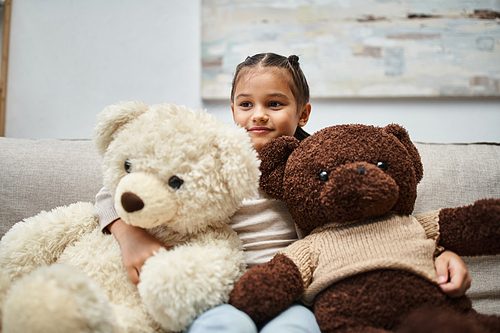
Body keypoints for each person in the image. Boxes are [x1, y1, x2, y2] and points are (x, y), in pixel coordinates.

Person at [93, 53, 471, 332]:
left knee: (295, 329)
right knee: (220, 327)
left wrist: (438, 252)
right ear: (233, 110)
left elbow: (379, 215)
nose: (258, 114)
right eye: (246, 105)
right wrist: (130, 236)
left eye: (274, 104)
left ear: (302, 113)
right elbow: (119, 190)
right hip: (220, 288)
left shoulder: (316, 165)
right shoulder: (208, 158)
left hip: (297, 291)